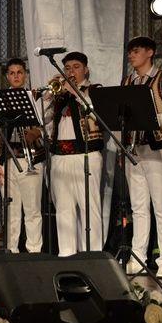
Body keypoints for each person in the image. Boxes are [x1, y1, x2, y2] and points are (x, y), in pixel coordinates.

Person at [122, 36, 162, 278]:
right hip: (134, 149)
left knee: (161, 206)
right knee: (138, 207)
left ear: (150, 53)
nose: (131, 55)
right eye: (130, 52)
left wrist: (152, 118)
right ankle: (138, 258)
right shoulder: (128, 81)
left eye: (136, 51)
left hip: (157, 148)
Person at [45, 51, 104, 256]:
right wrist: (48, 96)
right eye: (67, 68)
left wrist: (75, 92)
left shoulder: (95, 90)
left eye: (76, 67)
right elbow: (42, 118)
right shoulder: (58, 95)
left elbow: (97, 113)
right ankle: (66, 254)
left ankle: (92, 255)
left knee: (90, 208)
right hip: (60, 157)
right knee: (63, 210)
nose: (71, 72)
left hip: (86, 155)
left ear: (86, 70)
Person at [0, 58, 45, 254]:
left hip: (31, 157)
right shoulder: (0, 100)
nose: (16, 76)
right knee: (11, 210)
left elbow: (47, 124)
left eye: (20, 72)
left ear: (25, 75)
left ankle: (34, 251)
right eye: (12, 73)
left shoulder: (35, 97)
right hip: (8, 159)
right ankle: (11, 251)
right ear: (7, 76)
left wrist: (36, 132)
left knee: (32, 210)